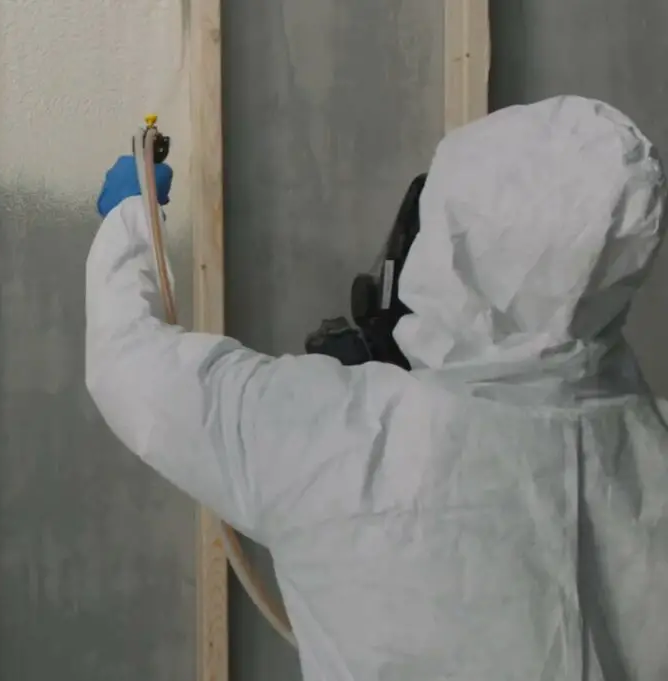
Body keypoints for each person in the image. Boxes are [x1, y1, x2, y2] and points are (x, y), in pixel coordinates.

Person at [85, 95, 668, 680]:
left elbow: (130, 363)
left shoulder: (335, 437)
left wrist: (130, 218)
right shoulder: (654, 446)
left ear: (453, 236)